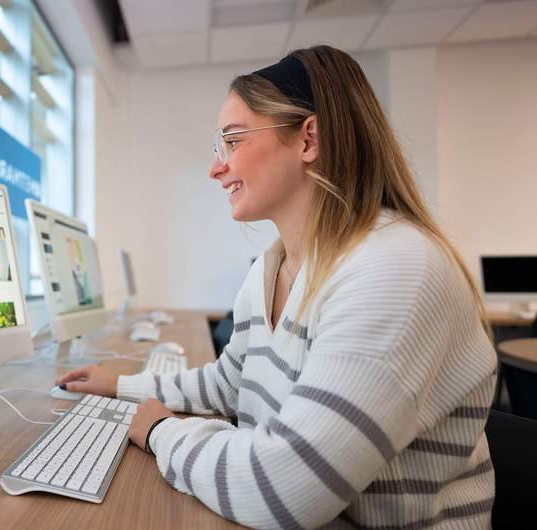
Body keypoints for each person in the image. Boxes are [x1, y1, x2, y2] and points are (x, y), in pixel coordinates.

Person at [57, 46, 495, 529]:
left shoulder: (394, 270)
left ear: (309, 139)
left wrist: (161, 431)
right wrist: (120, 386)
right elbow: (229, 384)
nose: (215, 168)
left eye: (233, 140)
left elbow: (287, 488)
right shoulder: (273, 267)